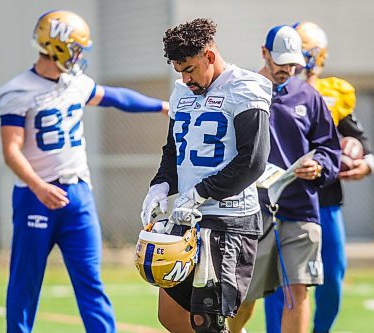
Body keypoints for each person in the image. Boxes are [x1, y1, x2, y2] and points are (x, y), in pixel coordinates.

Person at [0, 10, 168, 333]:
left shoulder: (73, 83)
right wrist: (37, 186)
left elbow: (116, 97)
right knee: (25, 283)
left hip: (77, 195)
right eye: (75, 49)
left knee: (91, 281)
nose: (78, 57)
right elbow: (11, 151)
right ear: (57, 46)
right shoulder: (18, 90)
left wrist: (159, 106)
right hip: (36, 197)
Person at [140, 18, 272, 333]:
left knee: (207, 322)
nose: (185, 79)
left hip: (228, 221)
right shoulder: (181, 92)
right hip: (187, 218)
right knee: (170, 315)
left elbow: (253, 160)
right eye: (179, 71)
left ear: (209, 57)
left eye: (190, 70)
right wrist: (159, 186)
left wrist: (201, 192)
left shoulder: (244, 87)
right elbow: (173, 151)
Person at [227, 25, 341, 333]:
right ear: (264, 53)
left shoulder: (309, 96)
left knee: (297, 290)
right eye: (281, 63)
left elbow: (330, 149)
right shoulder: (241, 90)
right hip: (251, 212)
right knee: (244, 297)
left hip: (301, 209)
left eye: (294, 64)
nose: (288, 70)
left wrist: (319, 164)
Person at [263, 21, 374, 333]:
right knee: (282, 283)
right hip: (282, 200)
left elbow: (359, 144)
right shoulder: (271, 88)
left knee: (333, 277)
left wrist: (365, 163)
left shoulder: (333, 93)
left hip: (325, 200)